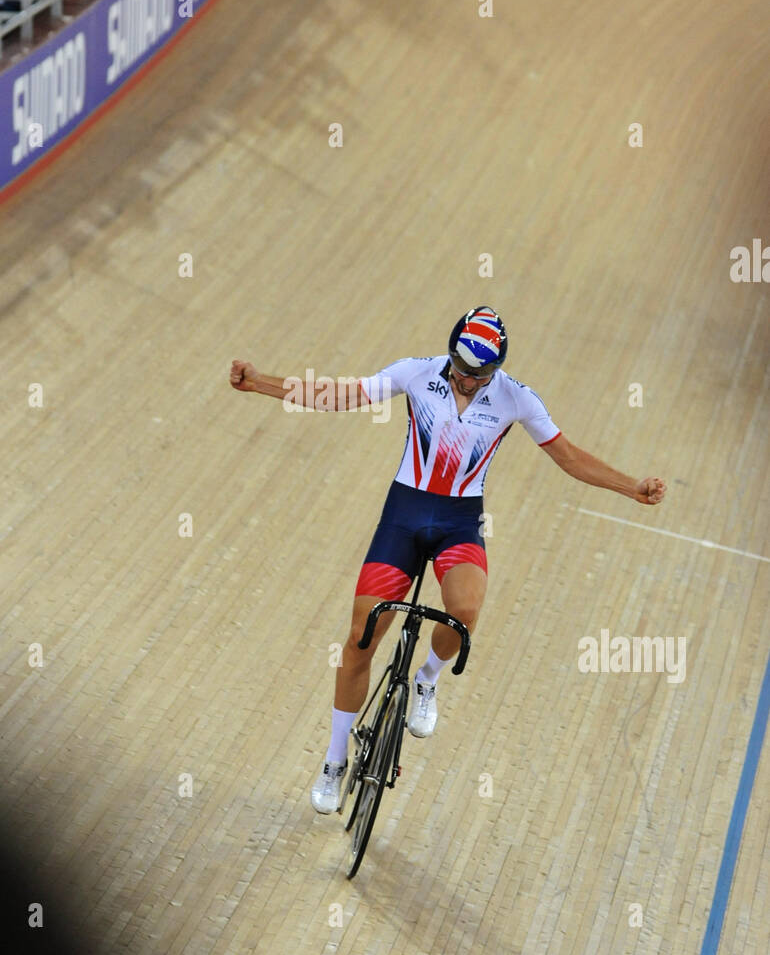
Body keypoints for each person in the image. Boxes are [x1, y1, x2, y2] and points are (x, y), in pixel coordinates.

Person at [229, 306, 667, 814]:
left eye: (478, 375)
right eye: (460, 368)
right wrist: (261, 383)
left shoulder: (515, 399)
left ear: (496, 369)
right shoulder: (417, 372)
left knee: (465, 611)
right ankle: (334, 758)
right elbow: (342, 394)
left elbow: (568, 457)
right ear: (451, 351)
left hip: (460, 524)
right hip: (404, 515)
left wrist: (631, 487)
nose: (465, 380)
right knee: (363, 634)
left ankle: (427, 679)